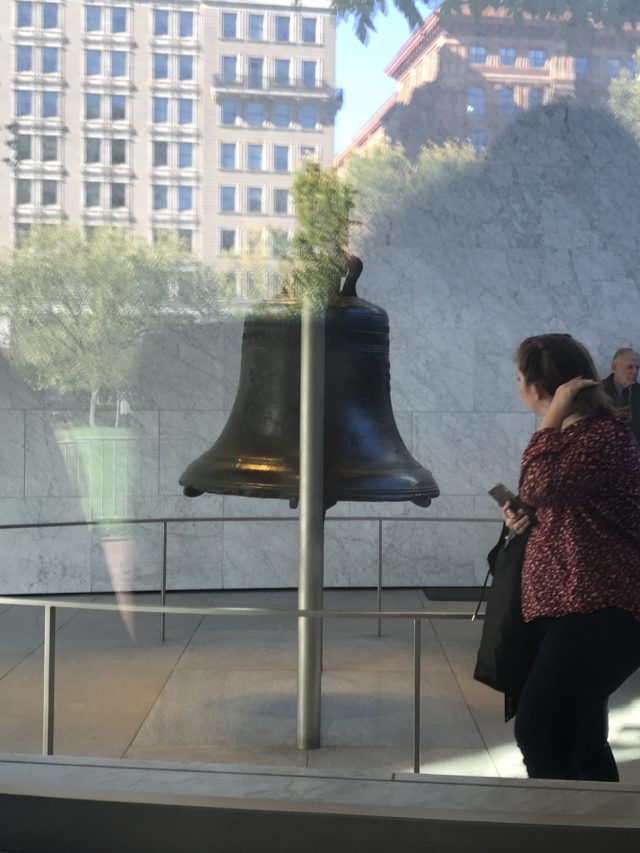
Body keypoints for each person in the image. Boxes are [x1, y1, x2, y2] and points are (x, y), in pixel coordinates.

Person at [502, 333, 640, 782]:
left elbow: (541, 486)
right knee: (581, 739)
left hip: (597, 610)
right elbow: (553, 502)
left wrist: (549, 422)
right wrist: (525, 520)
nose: (518, 386)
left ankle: (558, 833)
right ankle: (598, 834)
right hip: (574, 607)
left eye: (520, 378)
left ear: (538, 390)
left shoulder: (596, 438)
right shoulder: (579, 437)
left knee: (539, 732)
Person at [601, 347, 640, 443]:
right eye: (630, 367)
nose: (635, 372)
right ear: (614, 367)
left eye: (637, 367)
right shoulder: (598, 392)